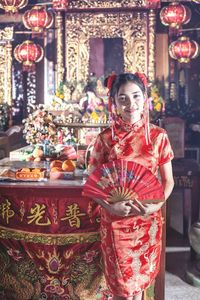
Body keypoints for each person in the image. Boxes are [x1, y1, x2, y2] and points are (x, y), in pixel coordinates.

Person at [87, 73, 174, 300]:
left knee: (139, 287)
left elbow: (168, 180)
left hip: (147, 220)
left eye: (136, 96)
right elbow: (93, 184)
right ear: (113, 102)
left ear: (145, 98)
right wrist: (111, 206)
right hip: (116, 222)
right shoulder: (104, 139)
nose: (130, 104)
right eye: (122, 98)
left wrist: (156, 205)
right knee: (122, 291)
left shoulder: (158, 136)